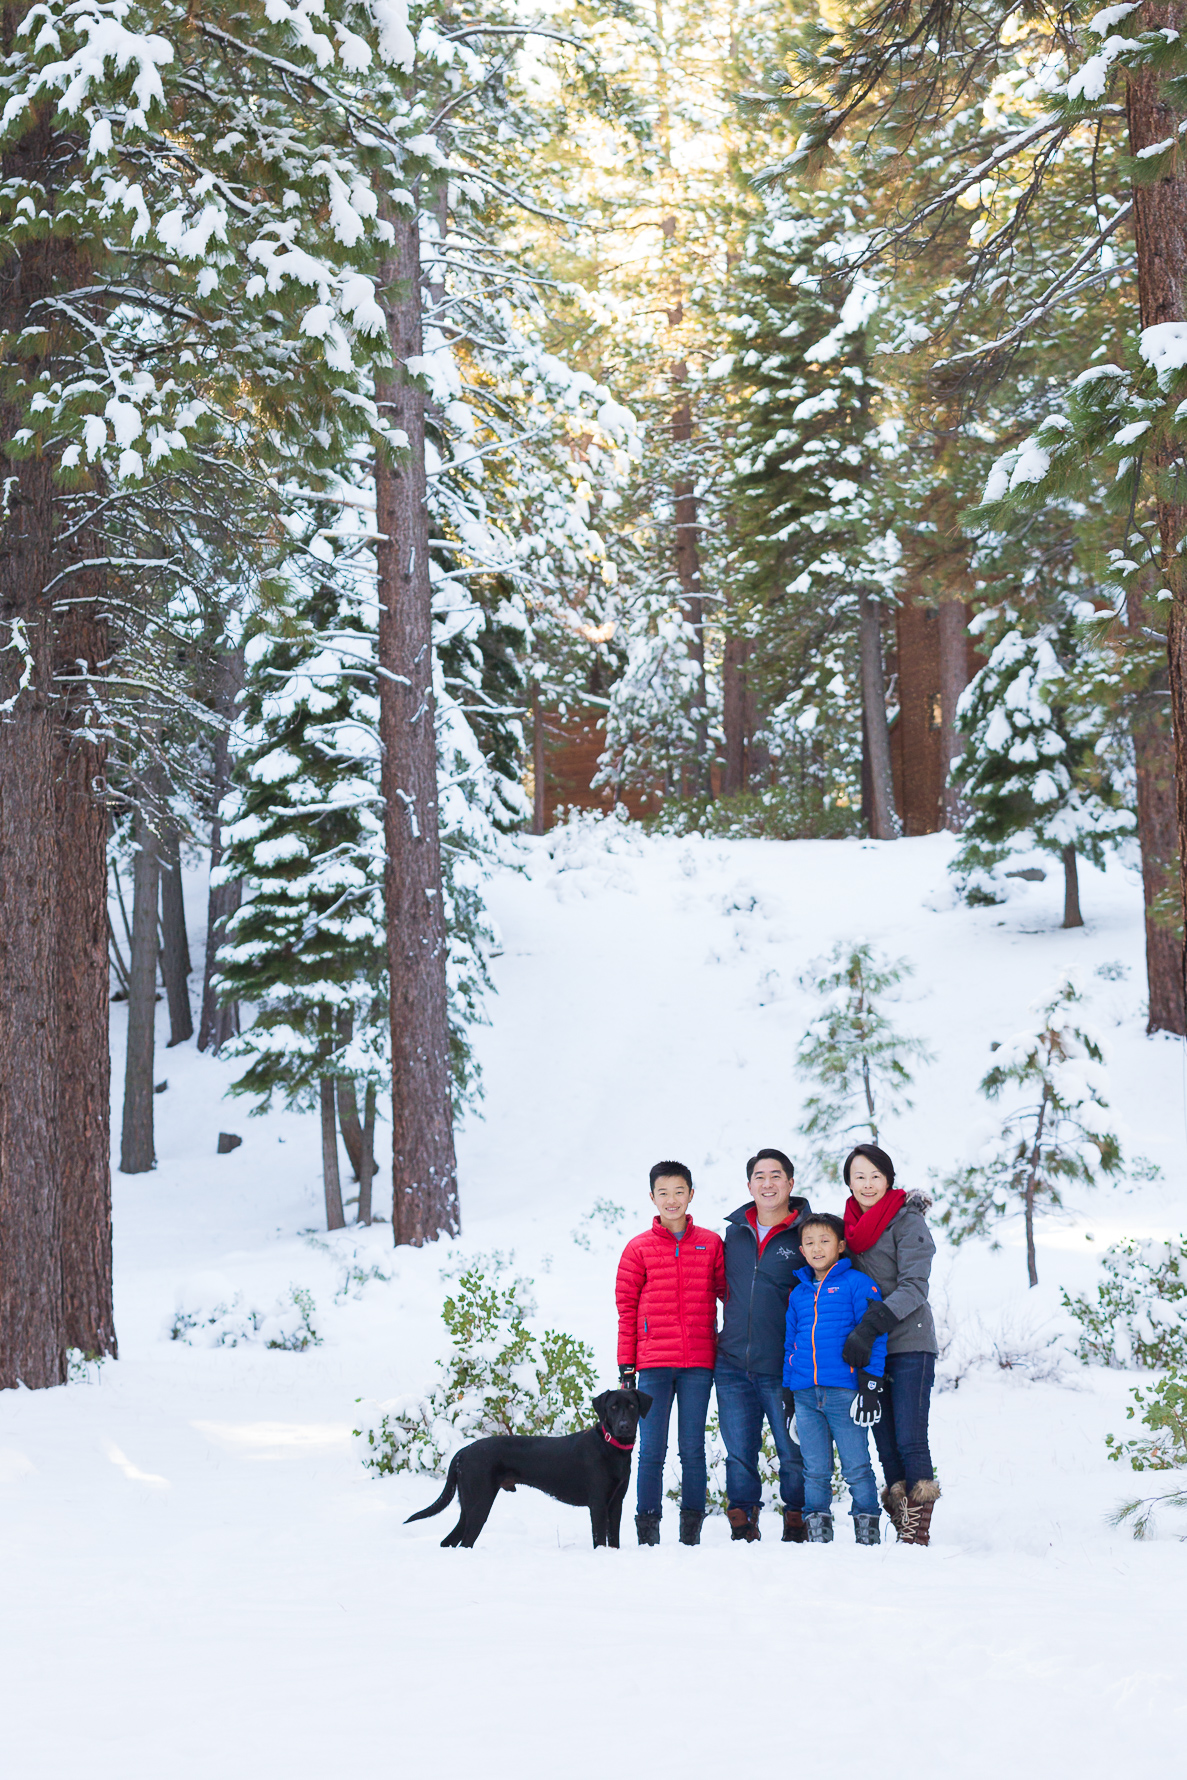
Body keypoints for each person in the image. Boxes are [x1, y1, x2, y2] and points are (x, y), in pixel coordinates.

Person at [616, 1160, 725, 1546]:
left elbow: (730, 1294)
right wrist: (626, 1364)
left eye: (679, 1191)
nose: (672, 1200)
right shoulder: (638, 1248)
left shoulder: (711, 1243)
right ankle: (648, 1528)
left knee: (693, 1448)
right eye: (663, 1192)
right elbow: (626, 1307)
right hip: (653, 1366)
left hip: (698, 1362)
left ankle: (691, 1531)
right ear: (652, 1197)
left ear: (691, 1194)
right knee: (651, 1450)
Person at [839, 1143, 941, 1546]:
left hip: (910, 1342)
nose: (867, 1184)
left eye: (875, 1176)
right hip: (873, 1349)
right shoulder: (846, 1228)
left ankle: (918, 1531)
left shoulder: (906, 1221)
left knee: (910, 1436)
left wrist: (872, 1322)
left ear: (889, 1180)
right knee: (883, 1441)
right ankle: (902, 1522)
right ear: (848, 1181)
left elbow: (915, 1285)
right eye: (858, 1176)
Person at [714, 1148, 811, 1543]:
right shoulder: (734, 1233)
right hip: (732, 1361)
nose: (767, 1183)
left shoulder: (807, 1233)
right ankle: (743, 1522)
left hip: (783, 1365)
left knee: (791, 1451)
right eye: (759, 1176)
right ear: (749, 1185)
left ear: (790, 1182)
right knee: (739, 1451)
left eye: (776, 1176)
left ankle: (797, 1520)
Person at [784, 1212, 887, 1545]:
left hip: (845, 1392)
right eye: (810, 1242)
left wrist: (870, 1387)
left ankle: (867, 1528)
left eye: (825, 1241)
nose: (817, 1248)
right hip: (804, 1394)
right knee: (814, 1469)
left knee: (856, 1465)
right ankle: (817, 1531)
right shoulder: (798, 1293)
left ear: (841, 1246)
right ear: (801, 1249)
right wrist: (789, 1394)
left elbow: (876, 1335)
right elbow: (791, 1343)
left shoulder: (857, 1283)